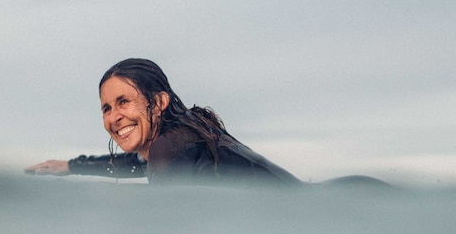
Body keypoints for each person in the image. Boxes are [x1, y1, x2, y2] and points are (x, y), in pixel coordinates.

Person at [25, 58, 301, 186]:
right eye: (106, 108)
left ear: (157, 103)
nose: (113, 117)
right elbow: (135, 164)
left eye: (123, 102)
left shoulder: (172, 146)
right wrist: (73, 166)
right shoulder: (178, 139)